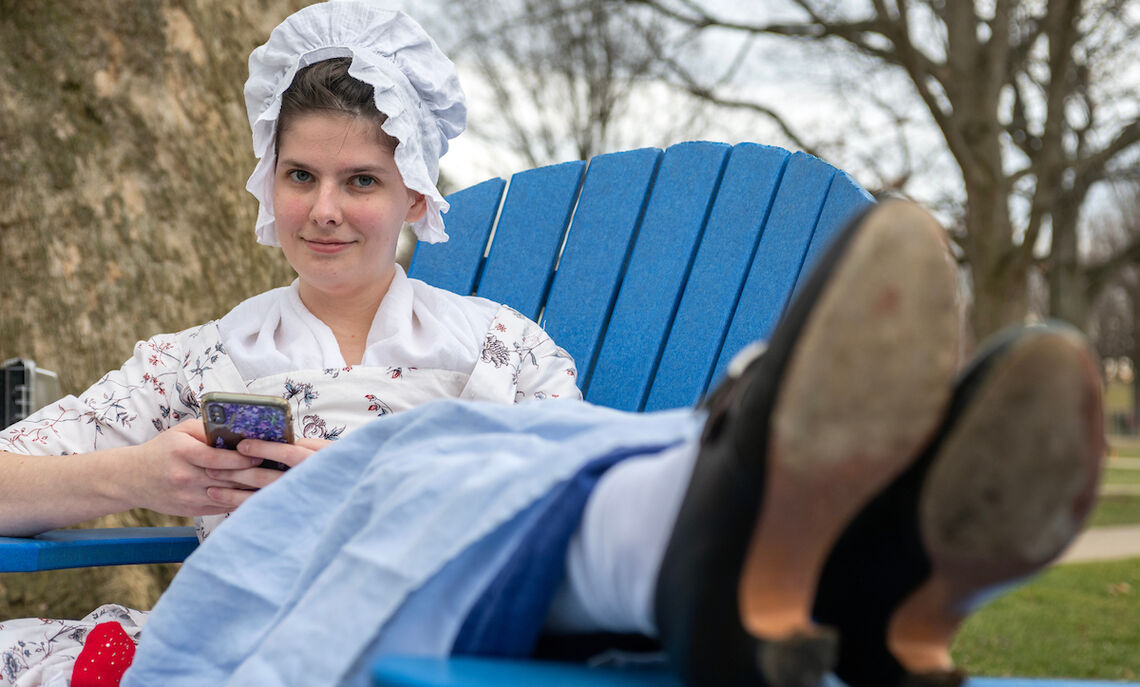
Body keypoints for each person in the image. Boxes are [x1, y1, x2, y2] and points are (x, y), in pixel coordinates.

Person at [0, 3, 1105, 687]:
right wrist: (142, 474)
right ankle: (841, 529)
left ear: (416, 195)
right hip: (271, 623)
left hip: (500, 610)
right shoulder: (199, 362)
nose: (326, 209)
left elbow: (568, 463)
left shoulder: (503, 344)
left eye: (361, 181)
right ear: (266, 183)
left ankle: (851, 541)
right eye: (302, 177)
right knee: (425, 457)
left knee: (457, 454)